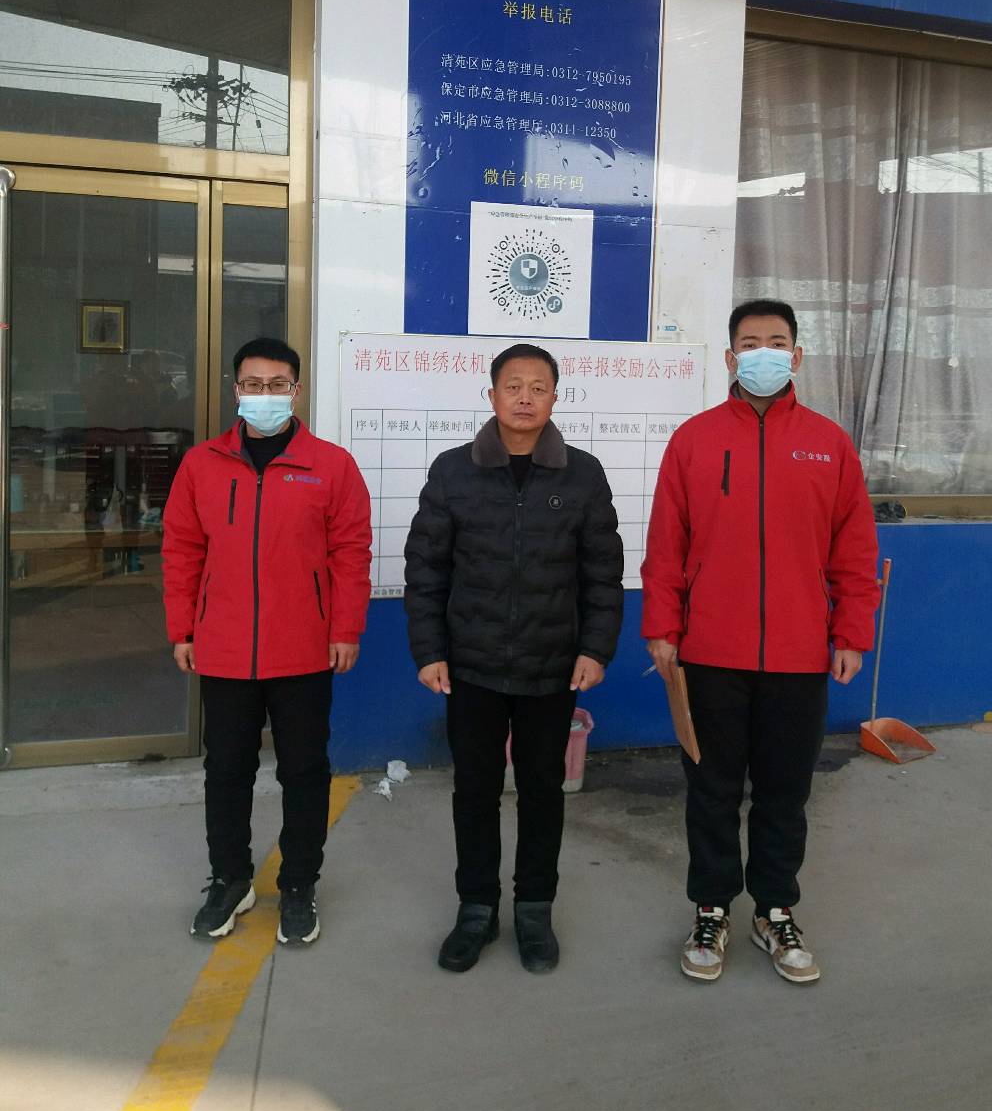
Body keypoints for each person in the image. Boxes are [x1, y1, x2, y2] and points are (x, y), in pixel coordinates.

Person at [641, 300, 878, 985]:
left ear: (797, 357)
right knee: (710, 790)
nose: (763, 353)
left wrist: (850, 631)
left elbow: (854, 550)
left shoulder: (829, 444)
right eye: (750, 343)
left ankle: (774, 910)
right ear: (730, 358)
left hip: (799, 657)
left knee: (784, 793)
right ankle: (711, 907)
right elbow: (666, 546)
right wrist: (662, 627)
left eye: (777, 342)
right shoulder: (694, 440)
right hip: (709, 654)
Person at [404, 343, 623, 975]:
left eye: (538, 387)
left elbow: (602, 574)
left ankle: (534, 908)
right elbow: (426, 569)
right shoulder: (453, 471)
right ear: (492, 394)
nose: (525, 397)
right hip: (470, 666)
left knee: (542, 790)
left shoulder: (582, 474)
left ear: (555, 397)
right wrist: (429, 650)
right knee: (474, 791)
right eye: (513, 385)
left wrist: (595, 648)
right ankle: (476, 907)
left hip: (550, 667)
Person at [163, 337, 372, 947]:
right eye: (253, 385)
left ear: (296, 391)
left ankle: (299, 884)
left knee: (304, 772)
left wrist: (346, 629)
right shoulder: (201, 465)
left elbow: (351, 553)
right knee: (227, 770)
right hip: (224, 648)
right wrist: (183, 628)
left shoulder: (331, 465)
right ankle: (230, 879)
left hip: (304, 650)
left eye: (277, 384)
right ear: (236, 391)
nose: (265, 395)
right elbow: (181, 550)